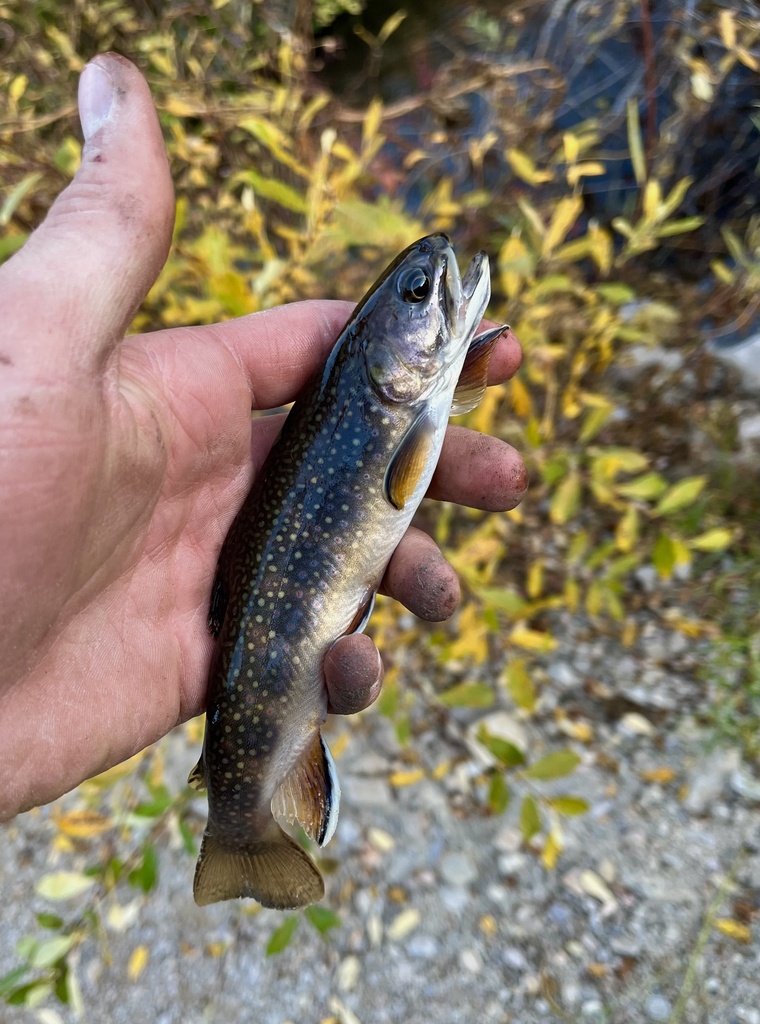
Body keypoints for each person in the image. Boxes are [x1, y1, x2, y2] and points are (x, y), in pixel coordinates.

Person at [0, 53, 527, 822]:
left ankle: (251, 807)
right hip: (260, 600)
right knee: (334, 664)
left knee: (334, 659)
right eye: (421, 293)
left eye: (419, 290)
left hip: (269, 591)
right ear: (378, 362)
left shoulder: (387, 404)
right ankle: (244, 820)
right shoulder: (393, 414)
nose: (434, 280)